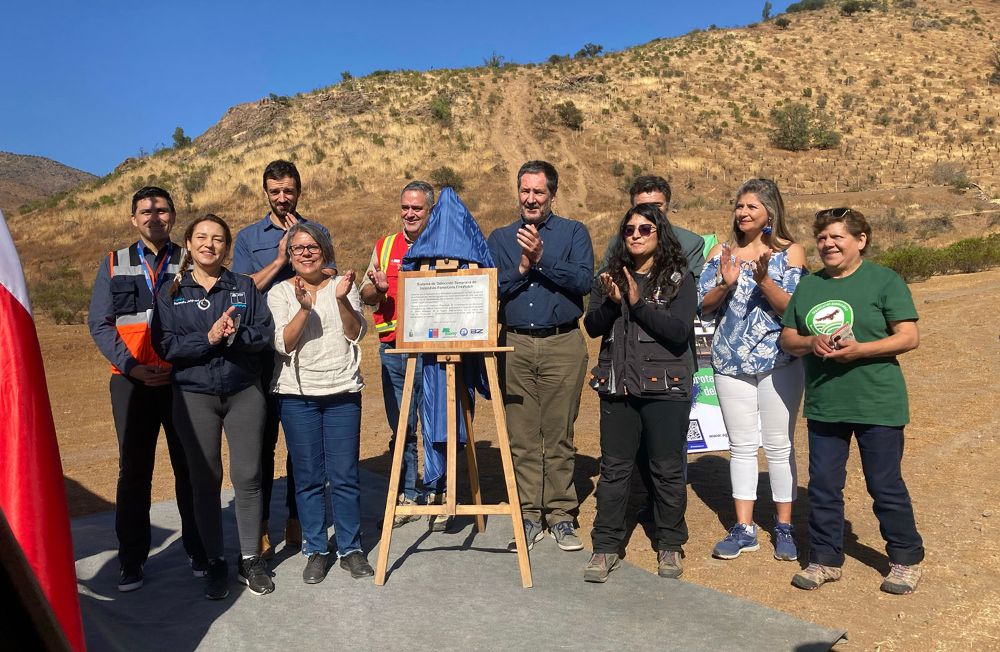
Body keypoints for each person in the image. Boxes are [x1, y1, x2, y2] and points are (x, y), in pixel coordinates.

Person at [780, 207, 924, 594]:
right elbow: (787, 339)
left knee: (885, 484)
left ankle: (905, 560)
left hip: (877, 400)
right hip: (827, 402)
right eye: (822, 237)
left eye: (836, 237)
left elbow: (908, 337)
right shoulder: (809, 286)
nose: (827, 244)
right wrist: (812, 341)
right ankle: (825, 560)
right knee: (824, 485)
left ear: (860, 241)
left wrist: (862, 350)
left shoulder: (884, 281)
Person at [87, 186, 205, 592]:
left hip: (181, 380)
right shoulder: (114, 262)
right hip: (131, 383)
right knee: (133, 471)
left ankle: (199, 550)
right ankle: (131, 560)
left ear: (173, 215)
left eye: (161, 210)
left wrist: (180, 363)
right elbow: (100, 323)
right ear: (134, 219)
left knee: (189, 468)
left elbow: (199, 316)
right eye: (145, 211)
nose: (154, 217)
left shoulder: (191, 259)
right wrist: (133, 368)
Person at [152, 214, 275, 599]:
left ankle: (251, 559)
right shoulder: (171, 292)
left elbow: (264, 333)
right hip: (194, 396)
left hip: (243, 392)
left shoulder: (242, 287)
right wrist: (206, 339)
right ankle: (214, 560)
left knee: (248, 476)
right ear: (188, 244)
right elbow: (166, 345)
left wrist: (237, 335)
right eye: (201, 237)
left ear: (227, 247)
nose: (210, 244)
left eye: (218, 239)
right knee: (205, 480)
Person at [582, 204, 696, 583]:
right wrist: (614, 302)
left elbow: (678, 333)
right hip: (618, 388)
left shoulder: (679, 278)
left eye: (645, 228)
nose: (635, 234)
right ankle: (605, 546)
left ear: (659, 232)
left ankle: (669, 543)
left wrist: (637, 304)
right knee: (614, 470)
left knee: (666, 470)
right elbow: (593, 326)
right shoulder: (608, 278)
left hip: (666, 388)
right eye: (629, 229)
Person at [486, 160, 593, 553]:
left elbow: (584, 281)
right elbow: (491, 288)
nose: (531, 199)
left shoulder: (573, 232)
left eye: (539, 192)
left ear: (552, 194)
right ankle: (529, 514)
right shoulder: (499, 238)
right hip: (513, 343)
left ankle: (562, 515)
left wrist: (544, 258)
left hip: (562, 343)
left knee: (559, 433)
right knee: (523, 436)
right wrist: (522, 266)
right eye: (525, 191)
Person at [697, 178, 806, 562]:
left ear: (769, 214)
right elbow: (704, 306)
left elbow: (792, 309)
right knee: (741, 446)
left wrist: (764, 280)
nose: (742, 213)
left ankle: (784, 526)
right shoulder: (720, 252)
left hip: (779, 362)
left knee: (778, 446)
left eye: (751, 207)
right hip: (729, 362)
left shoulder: (790, 253)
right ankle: (744, 528)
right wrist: (725, 285)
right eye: (739, 206)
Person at [232, 160, 332, 557]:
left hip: (301, 351)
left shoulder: (316, 233)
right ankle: (259, 525)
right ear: (266, 193)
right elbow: (240, 290)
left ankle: (296, 518)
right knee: (261, 443)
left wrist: (303, 251)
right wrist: (279, 258)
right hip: (259, 355)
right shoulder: (247, 238)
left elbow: (327, 277)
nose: (282, 197)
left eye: (288, 190)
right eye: (275, 191)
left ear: (298, 191)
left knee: (301, 444)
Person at [268, 223, 374, 582]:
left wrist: (342, 298)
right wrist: (303, 308)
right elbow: (283, 344)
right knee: (309, 478)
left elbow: (356, 332)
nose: (307, 253)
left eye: (313, 246)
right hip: (298, 397)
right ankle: (315, 549)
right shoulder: (280, 293)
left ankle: (351, 548)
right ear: (290, 255)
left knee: (344, 476)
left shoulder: (343, 286)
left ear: (325, 250)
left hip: (342, 391)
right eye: (299, 248)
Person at [359, 181, 432, 529]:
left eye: (417, 207)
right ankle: (407, 492)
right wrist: (378, 287)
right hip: (393, 349)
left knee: (435, 422)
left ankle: (436, 489)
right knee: (402, 426)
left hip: (433, 350)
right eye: (405, 207)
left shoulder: (442, 244)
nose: (410, 213)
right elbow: (366, 295)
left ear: (429, 210)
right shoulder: (385, 246)